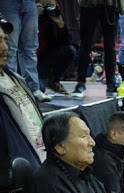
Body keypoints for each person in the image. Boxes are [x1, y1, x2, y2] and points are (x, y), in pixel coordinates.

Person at [0, 20, 46, 170]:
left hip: (45, 162)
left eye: (5, 39)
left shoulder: (17, 79)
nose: (4, 47)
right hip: (28, 171)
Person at [0, 0, 50, 102]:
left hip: (29, 1)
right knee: (10, 47)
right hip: (8, 2)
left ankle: (34, 89)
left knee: (30, 48)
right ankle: (11, 88)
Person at [71, 0, 121, 99]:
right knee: (85, 44)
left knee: (110, 46)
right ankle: (80, 83)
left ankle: (111, 83)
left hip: (110, 4)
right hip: (89, 4)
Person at [35, 0, 74, 96]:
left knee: (70, 50)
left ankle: (53, 80)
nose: (48, 9)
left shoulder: (55, 14)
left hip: (46, 57)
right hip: (32, 57)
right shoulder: (30, 14)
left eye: (51, 5)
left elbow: (67, 42)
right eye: (45, 5)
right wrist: (34, 16)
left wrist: (61, 25)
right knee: (39, 90)